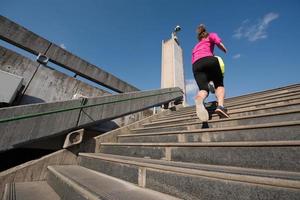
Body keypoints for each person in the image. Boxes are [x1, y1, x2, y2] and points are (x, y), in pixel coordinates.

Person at [192, 24, 229, 121]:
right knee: (219, 84)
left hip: (196, 65)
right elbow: (218, 42)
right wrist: (224, 49)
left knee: (203, 90)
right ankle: (220, 106)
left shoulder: (195, 47)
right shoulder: (211, 35)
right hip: (209, 60)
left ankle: (199, 99)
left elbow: (194, 59)